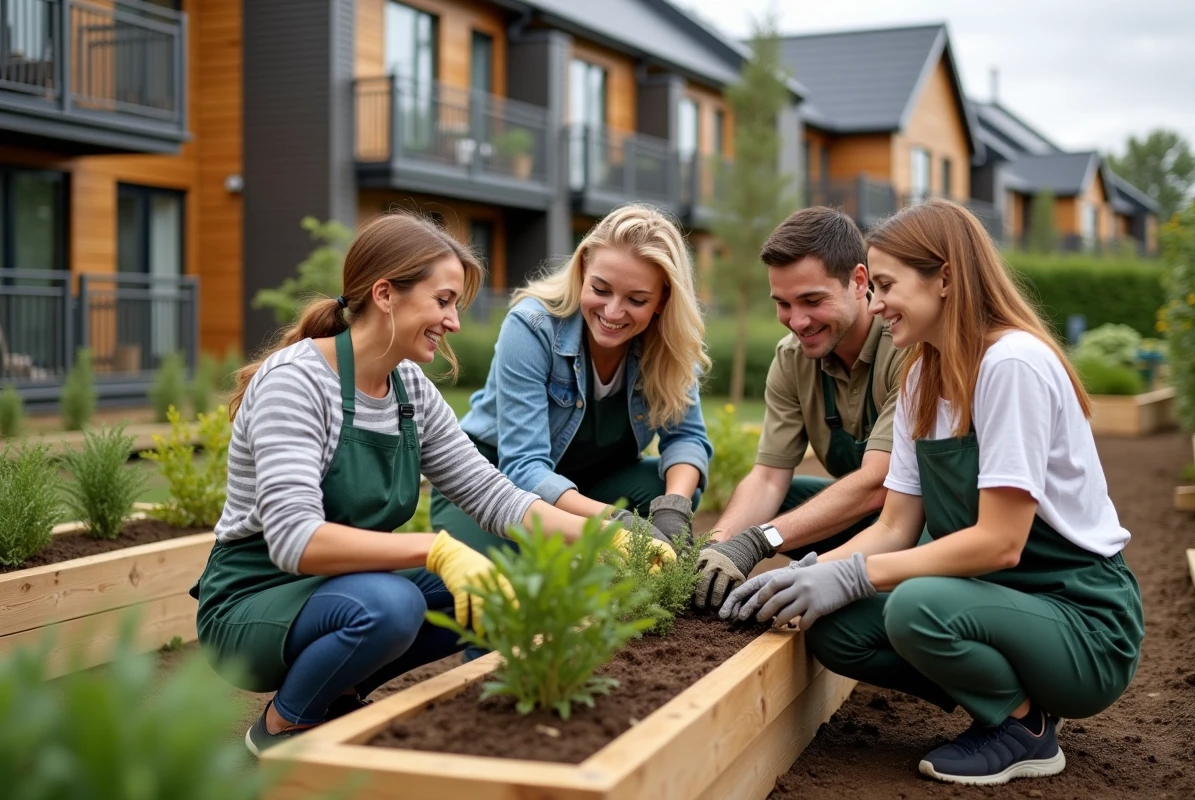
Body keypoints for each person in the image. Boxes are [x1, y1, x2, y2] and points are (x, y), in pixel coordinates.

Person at [190, 213, 672, 757]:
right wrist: (436, 549)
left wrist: (604, 535)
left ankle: (338, 696)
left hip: (337, 590)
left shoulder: (408, 389)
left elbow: (494, 496)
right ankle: (283, 725)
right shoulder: (297, 383)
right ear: (385, 294)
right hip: (253, 600)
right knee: (392, 605)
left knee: (498, 592)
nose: (453, 322)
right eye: (443, 301)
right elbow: (293, 539)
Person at [722, 198, 1144, 787]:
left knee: (917, 607)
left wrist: (852, 576)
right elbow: (895, 525)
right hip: (993, 603)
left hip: (1082, 622)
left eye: (888, 284)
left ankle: (1023, 731)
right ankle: (1012, 701)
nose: (878, 302)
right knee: (836, 629)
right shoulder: (923, 374)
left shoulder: (1011, 364)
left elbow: (1000, 543)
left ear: (944, 278)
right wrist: (806, 574)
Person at [431, 204, 713, 557]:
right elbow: (523, 466)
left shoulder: (668, 345)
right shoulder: (533, 327)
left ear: (663, 299)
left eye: (636, 299)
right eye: (601, 289)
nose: (612, 312)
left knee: (670, 487)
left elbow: (686, 438)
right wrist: (615, 522)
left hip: (590, 485)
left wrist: (673, 508)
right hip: (493, 483)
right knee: (494, 583)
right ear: (582, 270)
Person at [693, 206, 904, 610]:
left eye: (811, 300)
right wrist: (718, 549)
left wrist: (762, 539)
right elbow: (769, 477)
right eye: (783, 303)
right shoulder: (792, 359)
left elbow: (880, 482)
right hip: (866, 525)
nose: (797, 320)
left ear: (859, 281)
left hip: (920, 529)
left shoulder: (905, 346)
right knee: (788, 495)